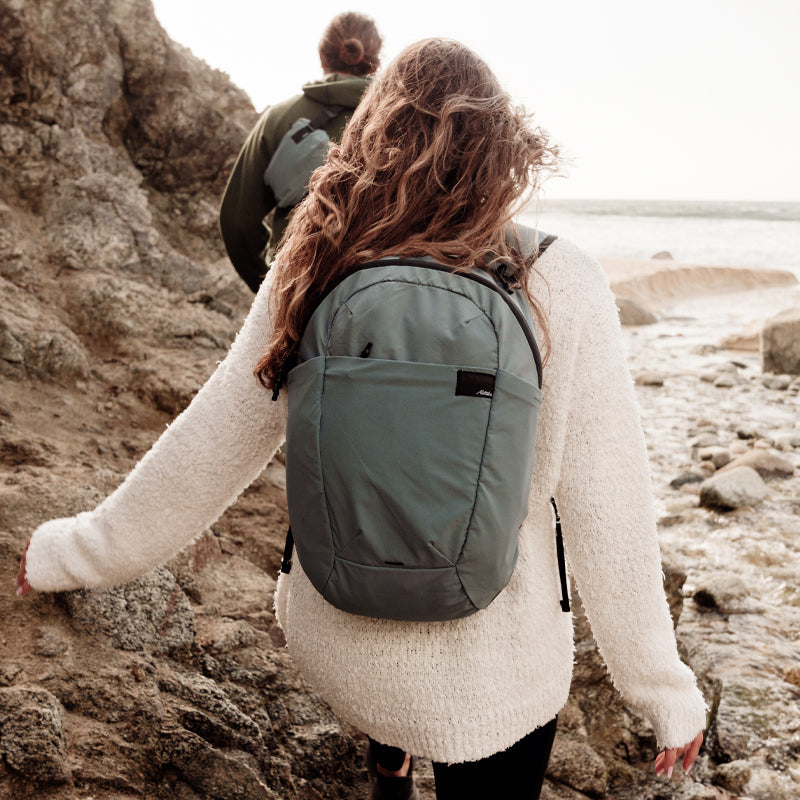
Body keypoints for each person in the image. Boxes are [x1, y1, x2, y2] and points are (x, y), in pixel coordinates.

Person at [17, 39, 706, 800]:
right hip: (492, 672)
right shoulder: (560, 279)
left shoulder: (316, 258)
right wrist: (661, 690)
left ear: (373, 135)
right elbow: (609, 506)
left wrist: (69, 553)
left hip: (340, 638)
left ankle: (390, 764)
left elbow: (210, 445)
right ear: (503, 150)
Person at [219, 11, 382, 293]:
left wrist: (269, 289)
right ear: (375, 66)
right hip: (373, 294)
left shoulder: (279, 117)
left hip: (297, 287)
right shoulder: (398, 123)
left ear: (323, 57)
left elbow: (238, 224)